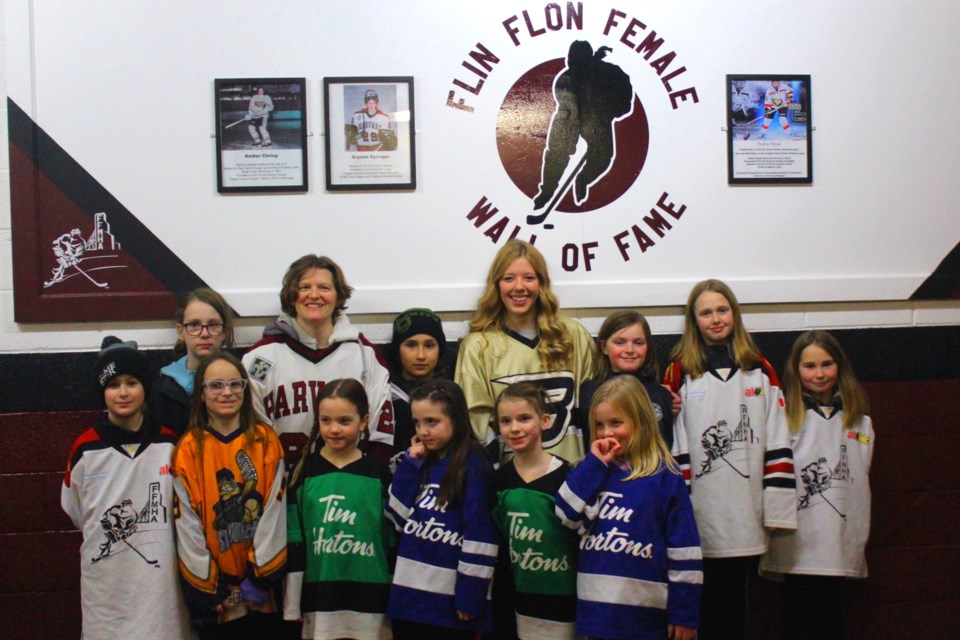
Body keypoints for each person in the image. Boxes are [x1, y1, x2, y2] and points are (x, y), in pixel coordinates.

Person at [663, 279, 797, 640]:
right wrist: (680, 507)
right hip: (701, 511)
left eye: (722, 310)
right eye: (706, 312)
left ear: (734, 314)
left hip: (746, 511)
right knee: (700, 599)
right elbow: (673, 445)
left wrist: (776, 506)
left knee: (735, 598)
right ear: (694, 321)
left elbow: (779, 441)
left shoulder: (760, 370)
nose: (716, 319)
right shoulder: (679, 372)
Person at [61, 336, 194, 640]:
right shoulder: (85, 449)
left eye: (131, 382)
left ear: (144, 387)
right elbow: (75, 510)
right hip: (108, 585)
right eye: (113, 385)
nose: (123, 392)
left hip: (161, 584)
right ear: (102, 392)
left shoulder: (168, 444)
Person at [555, 375, 702, 640]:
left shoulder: (665, 476)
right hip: (596, 612)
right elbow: (565, 513)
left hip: (647, 614)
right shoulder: (589, 471)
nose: (606, 433)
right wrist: (594, 464)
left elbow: (684, 550)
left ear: (641, 422)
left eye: (616, 423)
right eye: (599, 425)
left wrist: (684, 614)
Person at [760, 331, 874, 640]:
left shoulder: (860, 422)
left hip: (838, 543)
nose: (820, 374)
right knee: (797, 619)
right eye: (810, 366)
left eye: (827, 364)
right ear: (796, 370)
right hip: (798, 544)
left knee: (831, 620)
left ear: (840, 366)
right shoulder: (783, 419)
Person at [172, 353, 287, 639]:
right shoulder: (188, 449)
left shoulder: (265, 440)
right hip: (218, 596)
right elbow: (187, 525)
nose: (227, 392)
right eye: (216, 385)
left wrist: (260, 577)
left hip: (260, 591)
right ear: (201, 393)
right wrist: (207, 587)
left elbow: (275, 511)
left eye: (236, 384)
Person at [242, 254, 394, 469]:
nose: (314, 295)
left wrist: (366, 476)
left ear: (338, 296)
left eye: (324, 288)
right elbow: (247, 431)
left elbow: (380, 432)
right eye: (304, 287)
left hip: (345, 484)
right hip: (279, 486)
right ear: (291, 295)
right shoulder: (261, 357)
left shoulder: (364, 355)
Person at [455, 239, 595, 464]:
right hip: (512, 484)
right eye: (509, 278)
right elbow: (476, 425)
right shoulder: (478, 347)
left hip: (573, 477)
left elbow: (596, 406)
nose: (519, 287)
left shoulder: (574, 336)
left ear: (541, 283)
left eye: (529, 278)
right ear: (497, 284)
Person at [386, 380, 498, 639]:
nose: (423, 431)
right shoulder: (418, 461)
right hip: (409, 597)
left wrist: (471, 594)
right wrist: (410, 464)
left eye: (432, 422)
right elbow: (395, 517)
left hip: (451, 603)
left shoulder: (474, 465)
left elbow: (480, 536)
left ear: (456, 419)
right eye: (417, 422)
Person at [285, 379, 393, 640]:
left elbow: (391, 539)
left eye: (344, 421)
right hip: (320, 598)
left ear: (364, 421)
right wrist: (292, 604)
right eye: (326, 421)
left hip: (372, 597)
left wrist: (395, 595)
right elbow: (295, 541)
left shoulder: (378, 473)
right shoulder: (304, 472)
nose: (334, 429)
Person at [491, 383, 578, 640]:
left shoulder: (569, 477)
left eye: (524, 418)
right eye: (506, 421)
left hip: (564, 601)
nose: (514, 428)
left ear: (545, 421)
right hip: (516, 601)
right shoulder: (497, 481)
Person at [533, 40, 633, 209]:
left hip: (595, 118)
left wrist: (611, 111)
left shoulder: (609, 72)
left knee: (602, 157)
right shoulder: (565, 78)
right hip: (568, 117)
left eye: (577, 58)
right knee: (556, 154)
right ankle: (547, 191)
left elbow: (624, 94)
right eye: (571, 58)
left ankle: (582, 180)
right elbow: (564, 99)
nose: (571, 62)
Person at [579, 310, 674, 450]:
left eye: (638, 342)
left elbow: (667, 446)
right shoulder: (588, 392)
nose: (630, 349)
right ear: (604, 347)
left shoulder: (660, 394)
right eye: (620, 342)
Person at [151, 287, 235, 435]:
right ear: (181, 331)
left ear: (225, 331)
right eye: (194, 325)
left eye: (213, 324)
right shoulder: (162, 388)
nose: (204, 334)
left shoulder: (240, 382)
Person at [387, 308, 449, 464]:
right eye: (411, 345)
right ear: (397, 350)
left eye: (429, 345)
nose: (420, 355)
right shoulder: (385, 394)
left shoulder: (452, 393)